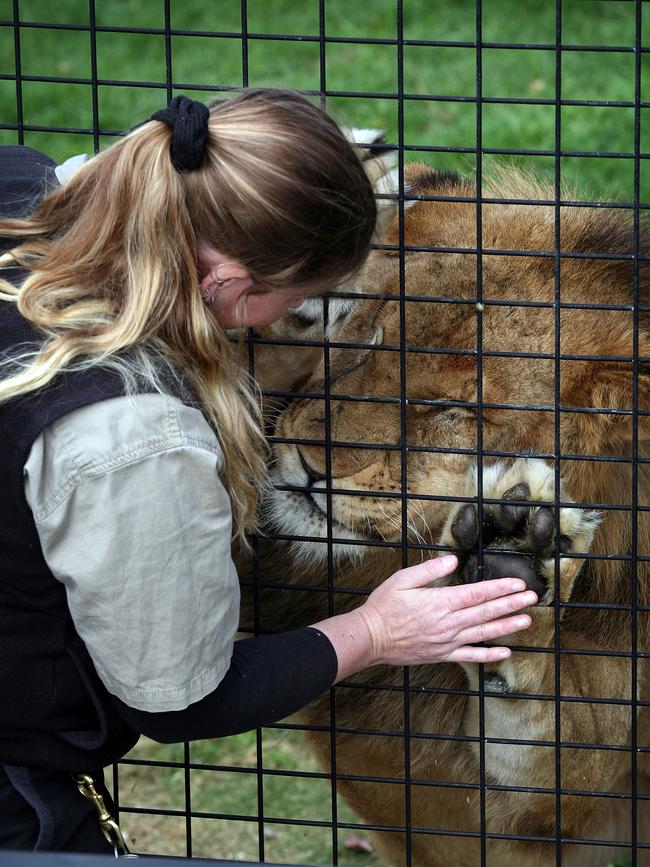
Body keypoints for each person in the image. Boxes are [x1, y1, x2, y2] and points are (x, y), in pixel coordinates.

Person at [0, 89, 537, 855]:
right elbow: (179, 698)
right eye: (300, 302)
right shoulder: (133, 430)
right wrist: (375, 630)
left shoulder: (19, 179)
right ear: (226, 281)